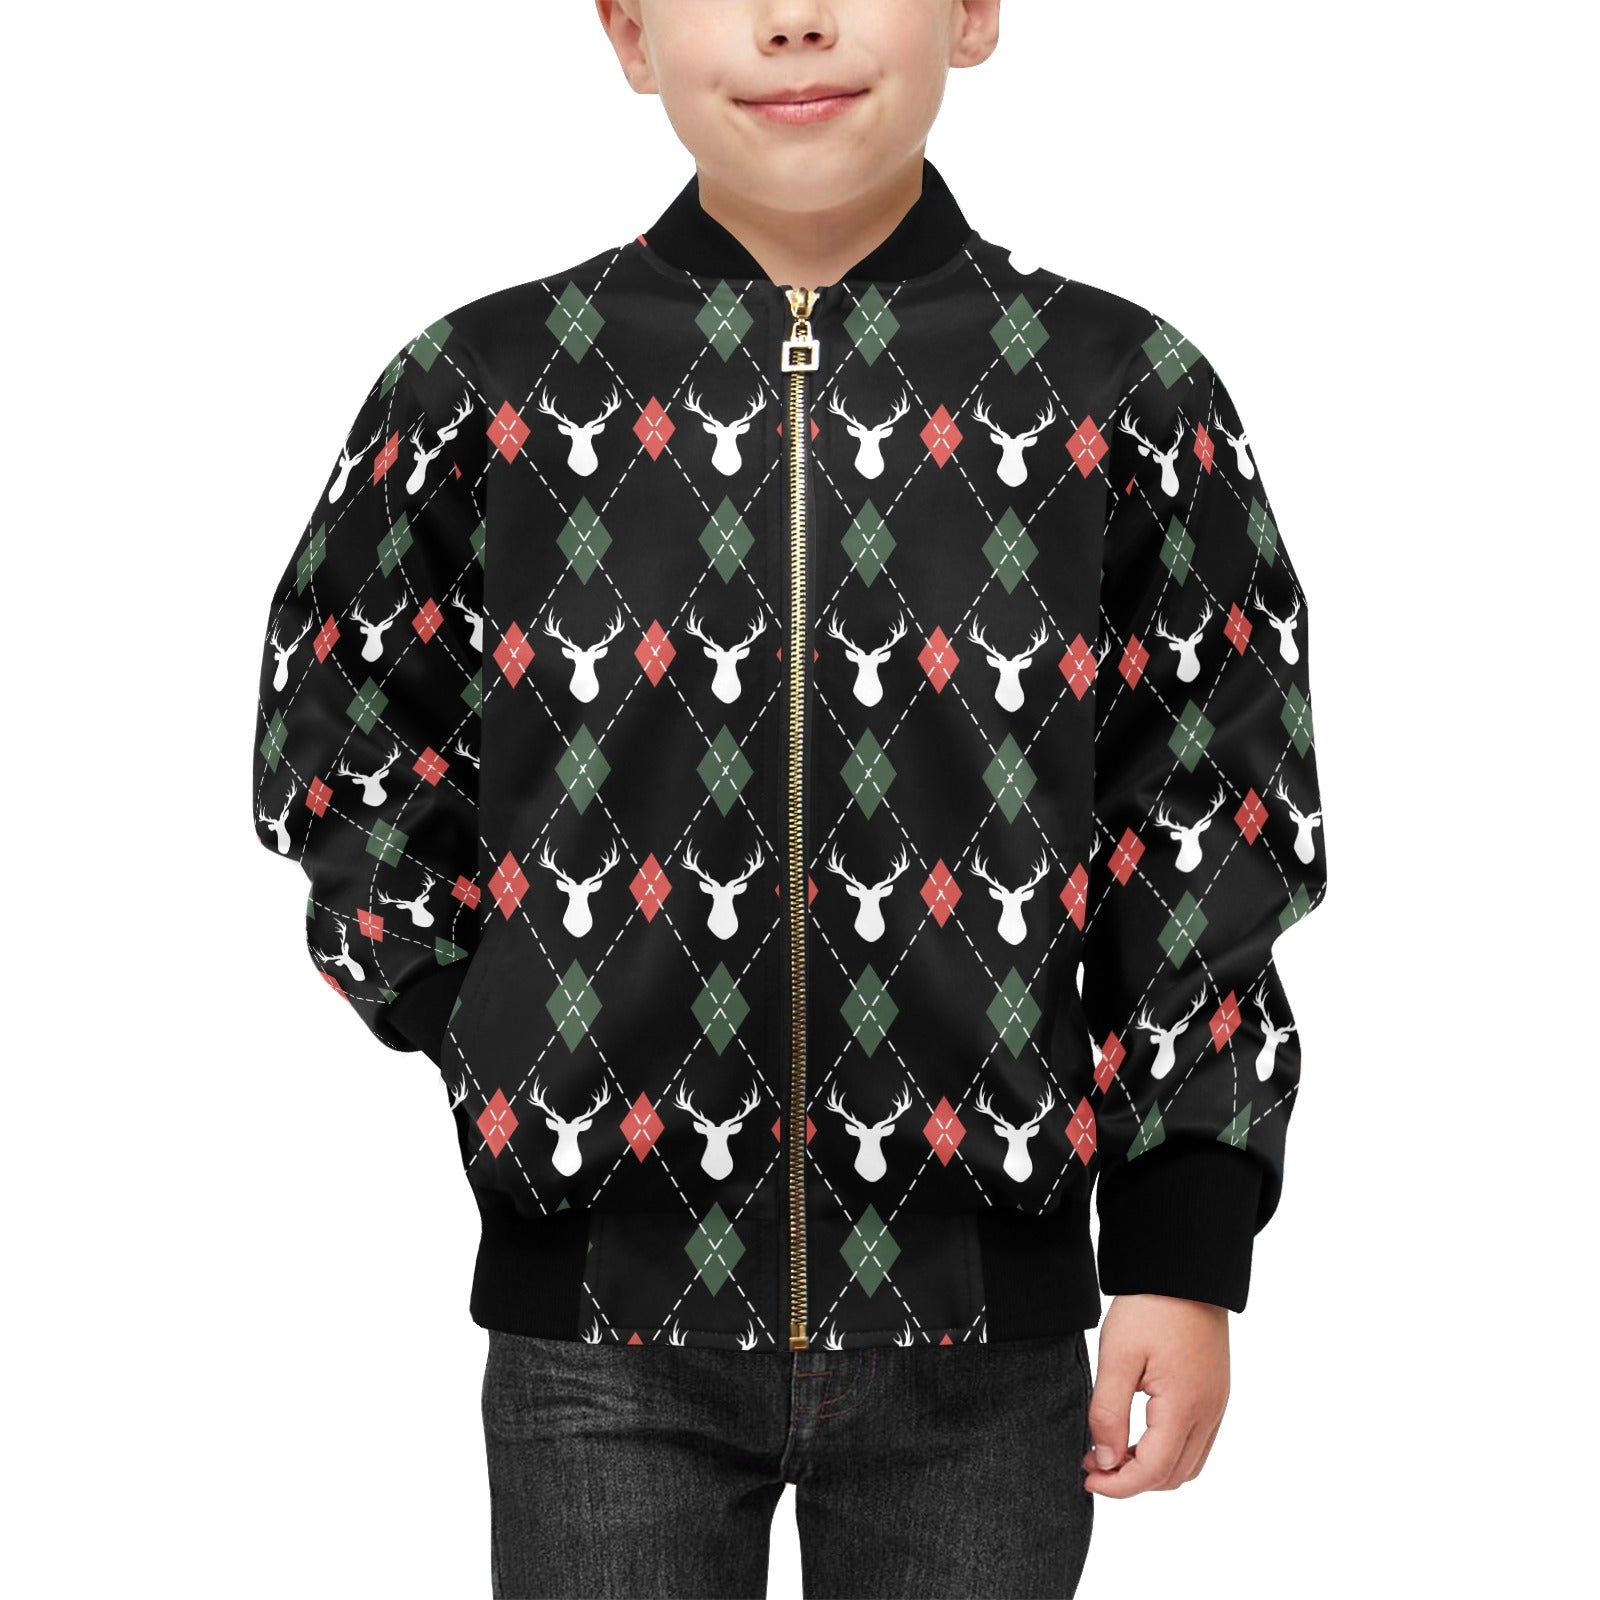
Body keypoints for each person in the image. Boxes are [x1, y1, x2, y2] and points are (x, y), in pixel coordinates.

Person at [249, 2, 1328, 1595]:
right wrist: (485, 1013)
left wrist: (1183, 1241)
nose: (795, 18)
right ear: (629, 32)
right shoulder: (486, 388)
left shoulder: (1122, 393)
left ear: (972, 13)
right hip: (599, 1333)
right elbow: (340, 724)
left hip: (987, 1331)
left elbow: (1211, 817)